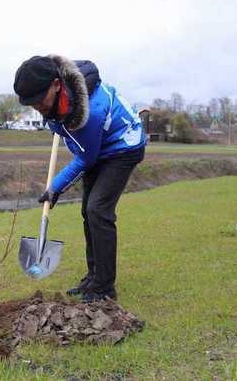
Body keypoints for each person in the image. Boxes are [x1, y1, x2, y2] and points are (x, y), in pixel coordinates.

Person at [14, 55, 146, 303]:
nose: (37, 107)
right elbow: (75, 142)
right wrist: (51, 113)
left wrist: (55, 187)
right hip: (98, 147)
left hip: (123, 147)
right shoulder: (57, 92)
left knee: (98, 211)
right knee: (88, 211)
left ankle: (104, 288)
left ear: (56, 84)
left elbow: (86, 158)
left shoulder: (91, 112)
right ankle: (93, 277)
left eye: (39, 101)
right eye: (31, 104)